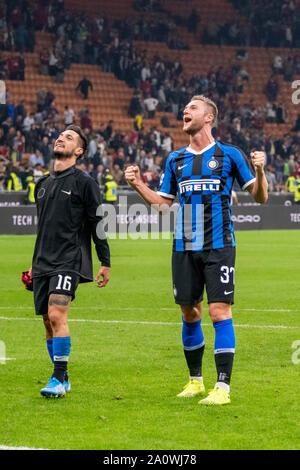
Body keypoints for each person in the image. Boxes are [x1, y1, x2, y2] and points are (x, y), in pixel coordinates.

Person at [125, 95, 268, 406]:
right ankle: (195, 382)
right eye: (185, 107)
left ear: (209, 118)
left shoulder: (230, 155)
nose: (184, 111)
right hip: (184, 245)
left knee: (219, 312)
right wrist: (137, 185)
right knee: (190, 313)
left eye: (192, 107)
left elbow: (259, 198)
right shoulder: (175, 160)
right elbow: (163, 204)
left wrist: (260, 172)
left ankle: (223, 387)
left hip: (220, 245)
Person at [27, 125, 111, 398]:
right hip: (42, 262)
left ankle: (57, 378)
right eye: (60, 135)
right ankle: (62, 378)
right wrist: (33, 263)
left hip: (68, 259)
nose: (61, 137)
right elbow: (44, 228)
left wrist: (105, 261)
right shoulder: (42, 184)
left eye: (69, 137)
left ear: (79, 151)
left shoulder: (85, 183)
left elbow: (98, 224)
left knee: (56, 314)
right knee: (46, 322)